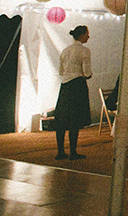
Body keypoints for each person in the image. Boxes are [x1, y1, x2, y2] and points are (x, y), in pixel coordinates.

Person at [54, 25, 91, 160]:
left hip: (65, 86)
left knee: (62, 119)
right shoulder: (84, 51)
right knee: (75, 120)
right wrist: (88, 75)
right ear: (81, 35)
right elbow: (86, 72)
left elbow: (60, 71)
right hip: (78, 85)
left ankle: (60, 151)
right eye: (87, 34)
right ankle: (73, 152)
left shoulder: (65, 50)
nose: (88, 36)